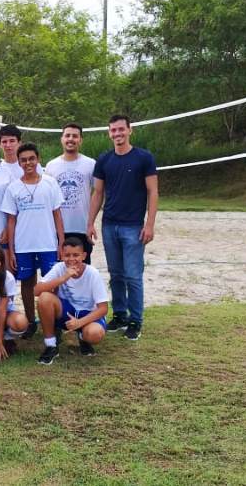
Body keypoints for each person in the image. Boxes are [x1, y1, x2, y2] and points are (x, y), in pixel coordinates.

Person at [87, 114, 159, 341]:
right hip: (110, 225)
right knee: (116, 274)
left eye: (121, 130)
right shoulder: (104, 160)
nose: (117, 134)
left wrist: (150, 224)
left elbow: (152, 192)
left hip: (133, 227)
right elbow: (98, 193)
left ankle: (136, 320)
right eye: (113, 131)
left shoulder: (143, 158)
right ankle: (120, 315)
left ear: (130, 131)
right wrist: (90, 222)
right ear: (109, 133)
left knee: (133, 275)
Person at [2, 143, 65, 336]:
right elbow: (11, 222)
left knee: (51, 285)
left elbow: (57, 215)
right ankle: (31, 321)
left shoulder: (50, 183)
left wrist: (61, 242)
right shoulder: (13, 187)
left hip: (47, 243)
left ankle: (54, 324)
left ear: (37, 159)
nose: (28, 163)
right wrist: (11, 250)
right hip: (23, 246)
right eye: (23, 160)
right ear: (19, 163)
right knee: (27, 284)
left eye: (31, 159)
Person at [33, 236, 108, 364]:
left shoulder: (92, 273)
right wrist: (63, 278)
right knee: (44, 298)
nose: (71, 259)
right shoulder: (59, 268)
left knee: (94, 334)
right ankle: (51, 345)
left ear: (84, 256)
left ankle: (83, 337)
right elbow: (36, 290)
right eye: (67, 255)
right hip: (67, 312)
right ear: (62, 255)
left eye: (76, 255)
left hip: (87, 314)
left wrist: (80, 322)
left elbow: (103, 308)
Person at [44, 123, 96, 264]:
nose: (70, 139)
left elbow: (98, 193)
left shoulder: (90, 164)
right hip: (57, 230)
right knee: (59, 275)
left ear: (80, 140)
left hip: (82, 228)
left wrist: (91, 222)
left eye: (75, 136)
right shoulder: (51, 166)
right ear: (62, 139)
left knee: (81, 273)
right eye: (67, 135)